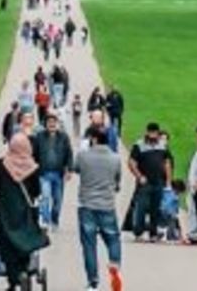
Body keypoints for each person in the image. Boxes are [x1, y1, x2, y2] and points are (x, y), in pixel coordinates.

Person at [0, 133, 48, 290]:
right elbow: (37, 191)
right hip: (26, 211)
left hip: (5, 211)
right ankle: (24, 270)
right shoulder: (32, 167)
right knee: (25, 241)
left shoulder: (0, 165)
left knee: (7, 244)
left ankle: (13, 279)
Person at [73, 124, 125, 291]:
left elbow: (75, 168)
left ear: (93, 139)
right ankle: (114, 262)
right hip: (107, 205)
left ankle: (93, 281)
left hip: (87, 204)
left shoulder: (83, 155)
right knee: (113, 238)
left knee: (89, 244)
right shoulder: (115, 158)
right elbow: (117, 181)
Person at [126, 123, 171, 241]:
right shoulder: (139, 145)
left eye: (155, 133)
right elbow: (131, 162)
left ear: (157, 133)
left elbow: (167, 163)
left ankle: (153, 233)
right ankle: (138, 232)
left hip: (159, 181)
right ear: (146, 132)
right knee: (141, 207)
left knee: (155, 209)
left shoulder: (162, 146)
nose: (152, 135)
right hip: (144, 182)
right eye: (150, 132)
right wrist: (139, 176)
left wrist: (168, 180)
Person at [33, 112, 74, 227]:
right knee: (45, 197)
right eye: (49, 122)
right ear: (45, 124)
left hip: (58, 174)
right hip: (44, 173)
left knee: (58, 200)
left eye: (53, 122)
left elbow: (69, 154)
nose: (51, 124)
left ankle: (54, 219)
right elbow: (34, 154)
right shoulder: (39, 137)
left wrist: (69, 170)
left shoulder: (63, 137)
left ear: (57, 124)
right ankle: (46, 220)